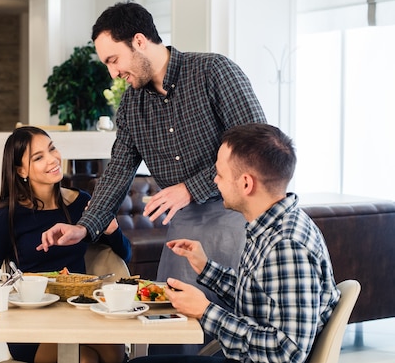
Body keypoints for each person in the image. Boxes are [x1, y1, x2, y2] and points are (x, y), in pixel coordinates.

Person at [38, 0, 267, 352]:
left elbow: (256, 144)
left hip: (238, 217)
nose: (112, 73)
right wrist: (84, 227)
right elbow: (117, 170)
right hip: (184, 226)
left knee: (228, 330)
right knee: (168, 329)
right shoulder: (131, 106)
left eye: (114, 60)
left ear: (140, 41)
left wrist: (190, 188)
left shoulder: (214, 71)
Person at [131, 123, 340, 363]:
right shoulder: (270, 225)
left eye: (219, 174)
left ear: (246, 184)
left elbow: (288, 352)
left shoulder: (287, 245)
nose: (215, 181)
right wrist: (207, 268)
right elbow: (258, 299)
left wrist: (205, 311)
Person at [0, 126, 131, 363]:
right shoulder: (7, 215)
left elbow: (125, 255)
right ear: (21, 170)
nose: (52, 160)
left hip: (78, 309)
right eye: (38, 157)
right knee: (85, 359)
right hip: (33, 319)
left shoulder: (81, 202)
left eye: (52, 149)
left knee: (115, 352)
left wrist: (112, 229)